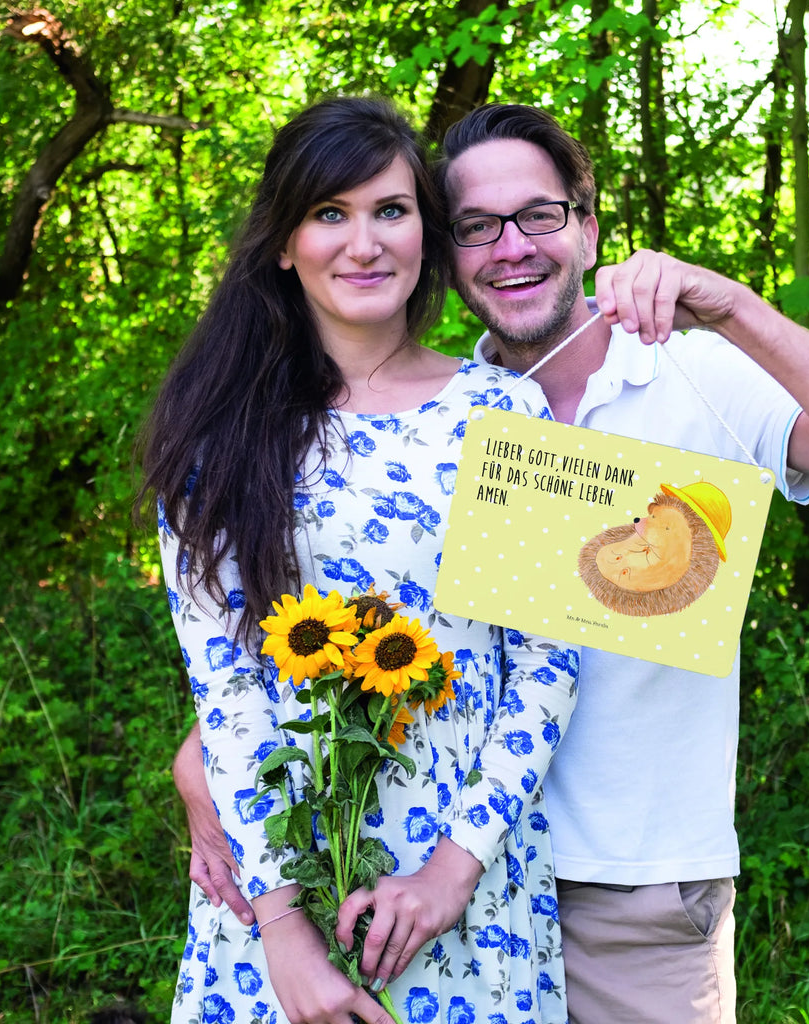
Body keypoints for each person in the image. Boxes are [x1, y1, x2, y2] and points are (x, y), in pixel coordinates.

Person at [175, 102, 809, 1024]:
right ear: (448, 251)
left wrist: (734, 306)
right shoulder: (441, 415)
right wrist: (209, 770)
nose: (511, 247)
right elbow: (304, 635)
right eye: (476, 227)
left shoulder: (683, 372)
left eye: (538, 215)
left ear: (586, 225)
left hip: (625, 887)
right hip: (396, 876)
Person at [138, 96, 587, 1024]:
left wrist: (451, 874)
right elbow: (224, 692)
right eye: (329, 214)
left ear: (426, 229)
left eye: (391, 210)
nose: (364, 242)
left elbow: (549, 663)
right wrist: (286, 936)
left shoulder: (509, 411)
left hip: (467, 887)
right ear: (282, 243)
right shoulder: (215, 437)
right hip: (278, 884)